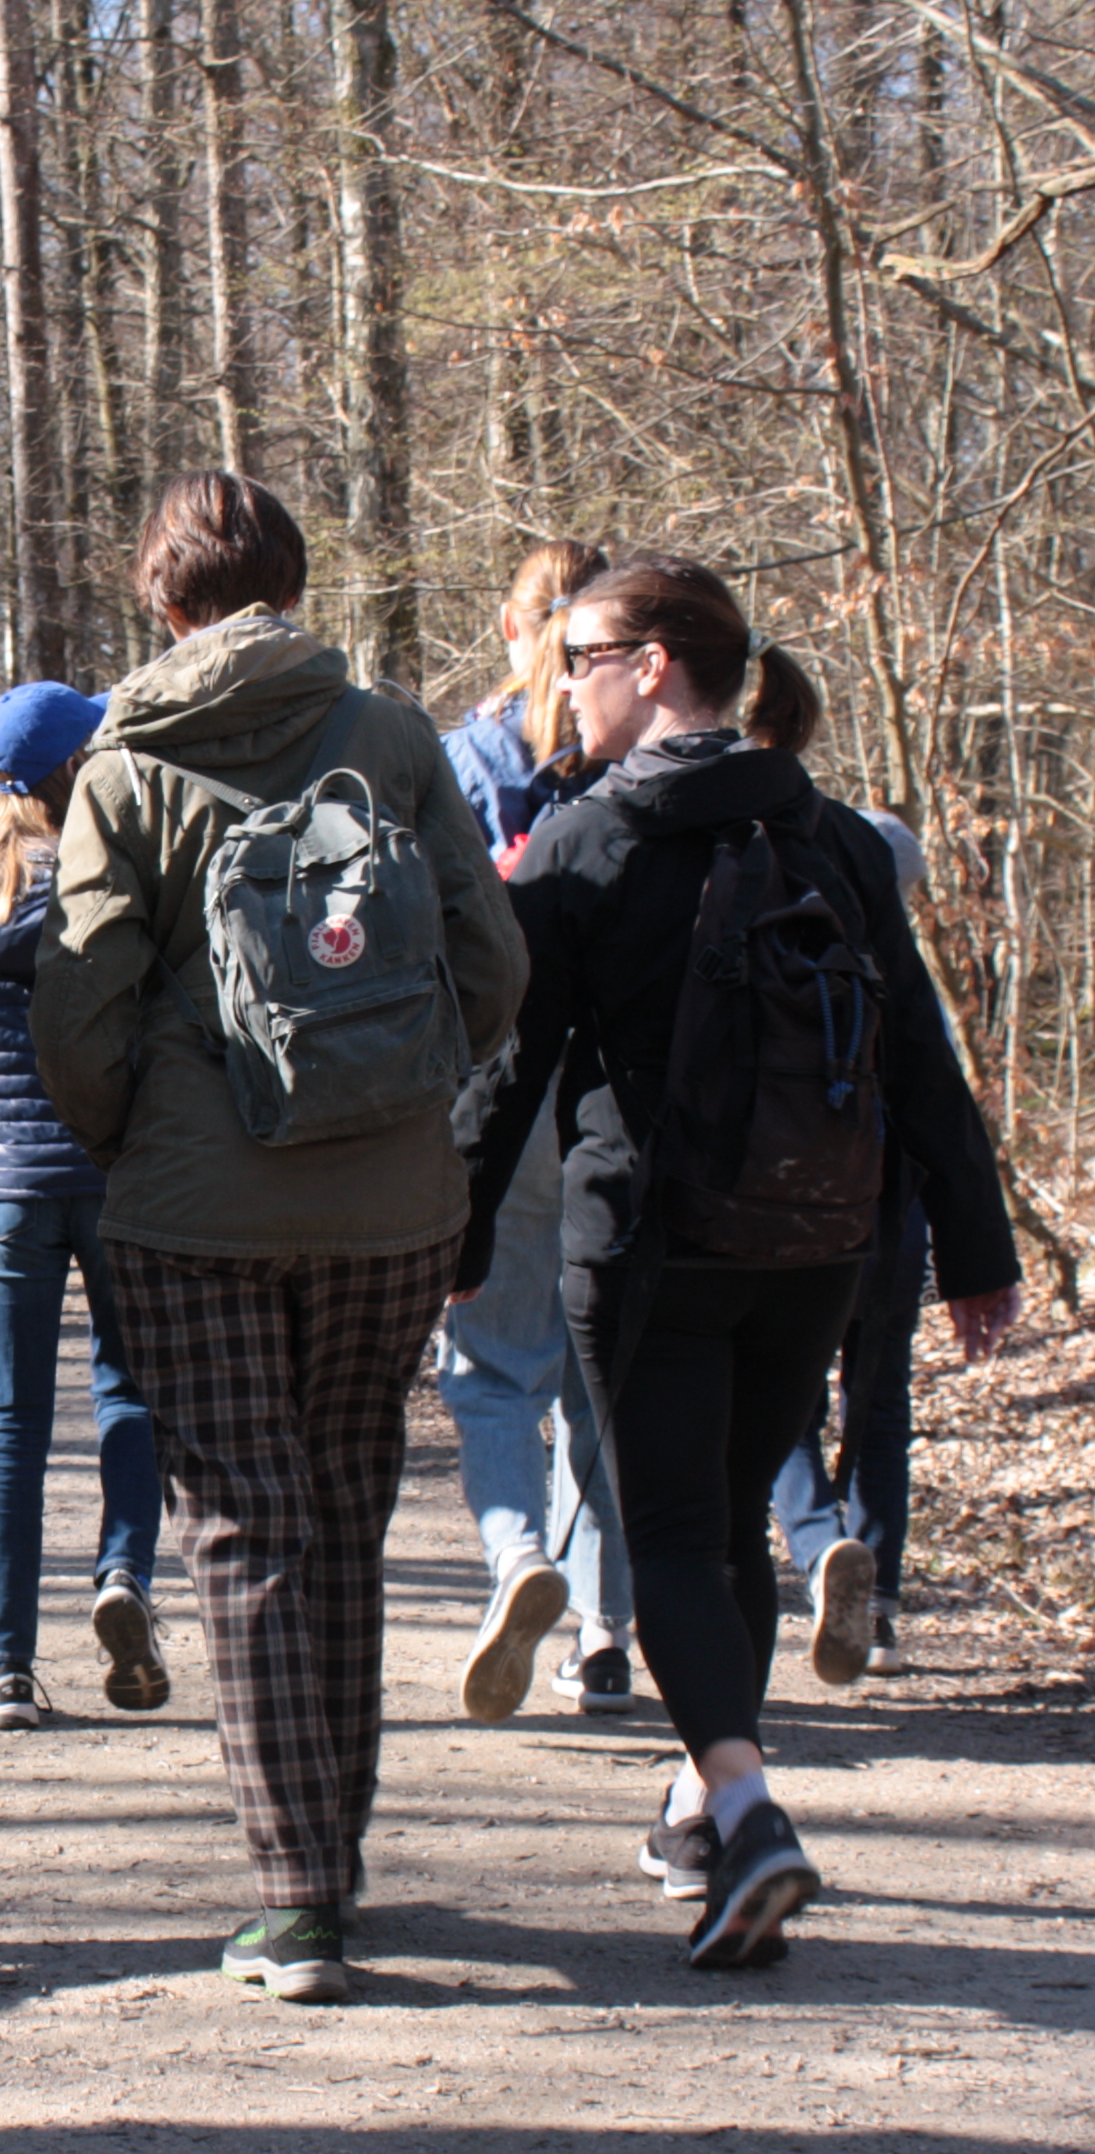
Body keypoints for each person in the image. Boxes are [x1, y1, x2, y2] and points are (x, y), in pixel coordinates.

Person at [463, 555, 1024, 1970]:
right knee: (728, 1529)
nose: (560, 681)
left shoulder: (587, 842)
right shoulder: (827, 832)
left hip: (653, 1243)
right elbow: (916, 1049)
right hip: (818, 1245)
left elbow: (512, 1068)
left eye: (579, 654)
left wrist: (456, 1239)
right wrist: (974, 1242)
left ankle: (753, 1807)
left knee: (665, 1535)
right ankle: (707, 1828)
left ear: (653, 666)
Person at [31, 471, 528, 2005]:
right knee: (347, 1509)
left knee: (242, 1522)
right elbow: (492, 956)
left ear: (160, 600)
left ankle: (294, 1892)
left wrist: (130, 1143)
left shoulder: (124, 762)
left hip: (196, 1211)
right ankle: (336, 1866)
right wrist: (423, 1101)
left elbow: (82, 1001)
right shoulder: (389, 737)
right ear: (293, 585)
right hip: (389, 1201)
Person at [435, 542, 639, 1721]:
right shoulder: (631, 747)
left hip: (498, 1091)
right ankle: (606, 1632)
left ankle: (519, 1557)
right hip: (615, 1098)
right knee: (600, 1368)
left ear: (513, 628)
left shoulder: (466, 759)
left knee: (495, 1368)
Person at [0, 679, 169, 1730]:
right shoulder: (115, 886)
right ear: (78, 769)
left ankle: (4, 1668)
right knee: (129, 1394)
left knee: (11, 1424)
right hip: (119, 1175)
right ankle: (124, 1571)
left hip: (13, 1187)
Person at [772, 807, 933, 1680]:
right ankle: (875, 1609)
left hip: (800, 1214)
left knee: (783, 1403)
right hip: (894, 1220)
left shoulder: (790, 966)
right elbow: (942, 1120)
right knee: (879, 1404)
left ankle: (821, 1545)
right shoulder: (908, 988)